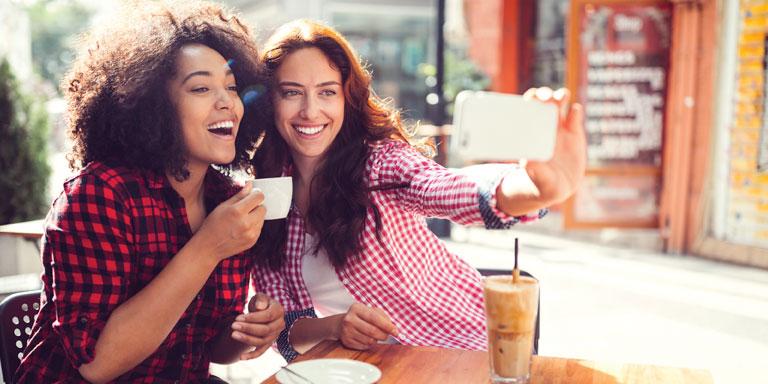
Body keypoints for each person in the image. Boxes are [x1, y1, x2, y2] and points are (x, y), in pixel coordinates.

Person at [249, 19, 586, 362]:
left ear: (346, 99)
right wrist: (333, 327)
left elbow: (448, 188)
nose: (310, 111)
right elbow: (282, 330)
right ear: (269, 102)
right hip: (376, 367)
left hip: (467, 352)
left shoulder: (379, 164)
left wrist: (534, 188)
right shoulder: (267, 197)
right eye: (292, 92)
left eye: (327, 92)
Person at [15, 2, 285, 382]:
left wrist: (246, 333)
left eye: (232, 88)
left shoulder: (226, 200)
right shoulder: (100, 195)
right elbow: (97, 364)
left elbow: (207, 345)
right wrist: (208, 246)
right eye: (201, 88)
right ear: (153, 107)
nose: (227, 102)